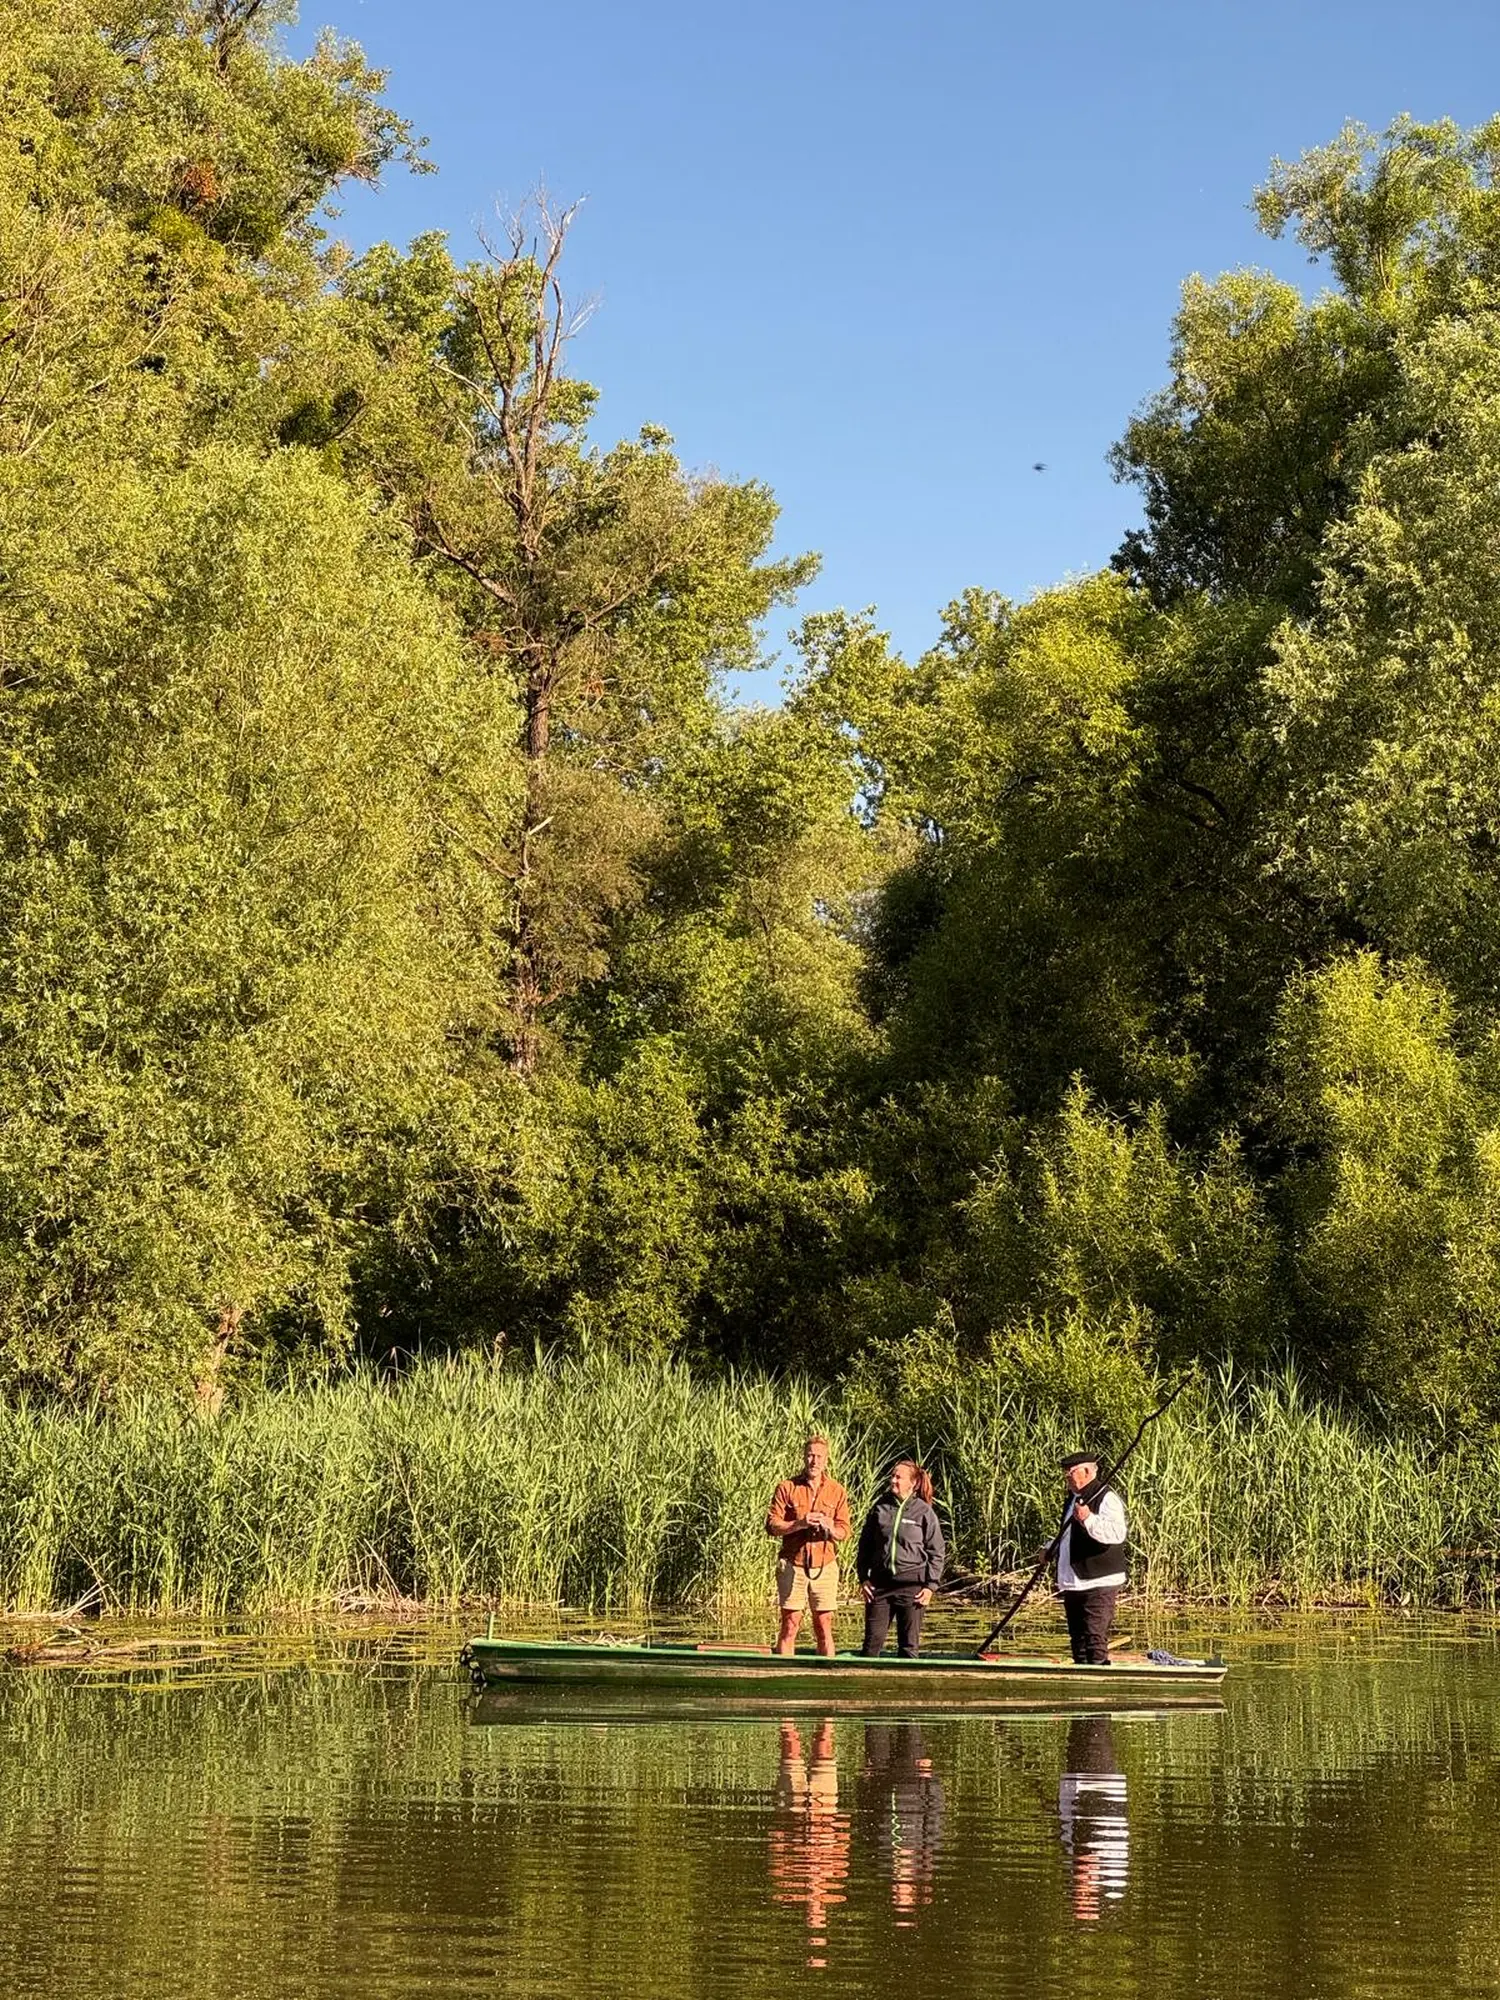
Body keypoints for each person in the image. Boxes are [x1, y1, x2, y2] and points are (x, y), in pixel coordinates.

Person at [766, 1435, 852, 1656]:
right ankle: (784, 1675)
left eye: (819, 1456)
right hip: (793, 1563)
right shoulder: (787, 1487)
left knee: (823, 1624)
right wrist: (799, 1524)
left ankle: (827, 1675)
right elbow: (773, 1525)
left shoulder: (837, 1490)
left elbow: (845, 1531)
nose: (814, 1461)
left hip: (825, 1564)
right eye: (810, 1455)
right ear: (804, 1457)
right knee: (790, 1623)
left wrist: (829, 1527)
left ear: (826, 1460)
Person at [856, 1460, 946, 1658]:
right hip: (879, 1587)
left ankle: (908, 1686)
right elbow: (864, 1546)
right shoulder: (880, 1507)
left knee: (908, 1647)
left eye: (898, 1477)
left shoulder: (923, 1512)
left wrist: (930, 1586)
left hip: (912, 1588)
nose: (893, 1480)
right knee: (871, 1647)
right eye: (892, 1476)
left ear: (912, 1483)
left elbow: (936, 1551)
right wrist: (863, 1578)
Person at [1054, 1450, 1128, 1665]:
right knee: (1078, 1640)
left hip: (1099, 1580)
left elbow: (1117, 1534)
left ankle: (1100, 1682)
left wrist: (1088, 1519)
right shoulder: (1073, 1499)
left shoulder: (1106, 1497)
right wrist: (1050, 1548)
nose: (1066, 1478)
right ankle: (1081, 1678)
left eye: (1070, 1473)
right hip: (1074, 1580)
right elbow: (1068, 1535)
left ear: (1086, 1471)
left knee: (1094, 1638)